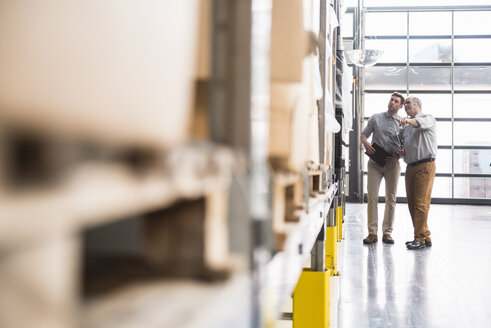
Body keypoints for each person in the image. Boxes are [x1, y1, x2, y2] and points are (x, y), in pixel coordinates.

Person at [361, 92, 405, 244]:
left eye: (396, 101)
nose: (392, 102)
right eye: (391, 100)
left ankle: (387, 233)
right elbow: (363, 135)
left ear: (400, 106)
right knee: (372, 197)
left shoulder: (402, 124)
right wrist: (366, 143)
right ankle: (372, 233)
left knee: (391, 198)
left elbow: (405, 147)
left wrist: (399, 155)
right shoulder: (376, 118)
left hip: (392, 165)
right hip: (374, 164)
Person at [396, 97, 437, 250]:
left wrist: (406, 121)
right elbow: (405, 145)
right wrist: (402, 151)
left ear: (418, 105)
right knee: (413, 203)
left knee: (421, 203)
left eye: (408, 103)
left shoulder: (427, 118)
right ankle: (425, 235)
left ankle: (419, 238)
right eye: (404, 104)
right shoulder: (406, 128)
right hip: (410, 166)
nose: (405, 106)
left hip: (425, 165)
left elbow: (417, 124)